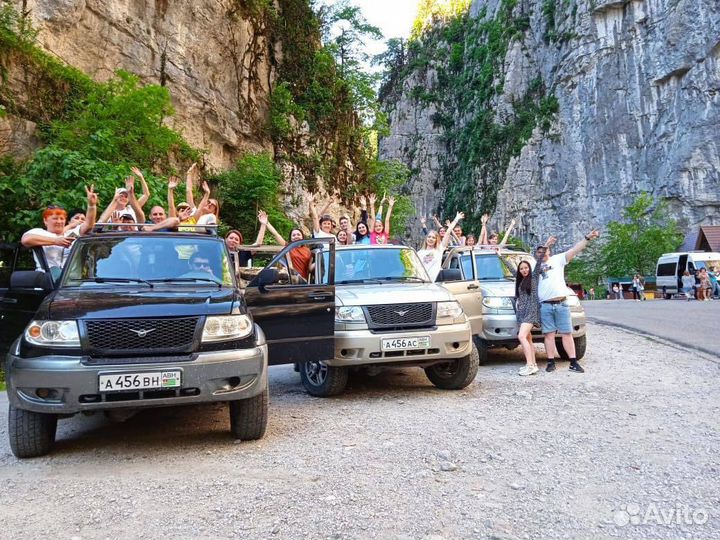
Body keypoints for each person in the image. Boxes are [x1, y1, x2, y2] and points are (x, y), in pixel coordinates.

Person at [538, 229, 600, 373]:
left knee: (567, 333)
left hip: (561, 303)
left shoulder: (558, 260)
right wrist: (546, 244)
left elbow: (575, 250)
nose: (543, 252)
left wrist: (587, 238)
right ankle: (550, 361)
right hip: (546, 305)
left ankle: (573, 362)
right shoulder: (536, 266)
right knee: (549, 334)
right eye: (540, 251)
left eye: (545, 250)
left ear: (549, 251)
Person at [21, 185, 98, 275]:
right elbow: (26, 240)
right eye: (55, 218)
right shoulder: (39, 232)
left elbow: (89, 224)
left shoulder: (71, 233)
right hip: (47, 282)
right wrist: (55, 241)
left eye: (62, 218)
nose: (59, 221)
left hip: (70, 283)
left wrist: (92, 205)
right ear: (45, 221)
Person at [515, 240, 551, 376]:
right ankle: (533, 364)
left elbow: (540, 259)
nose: (524, 270)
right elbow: (513, 270)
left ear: (529, 268)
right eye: (521, 268)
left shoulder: (534, 276)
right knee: (528, 339)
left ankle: (530, 365)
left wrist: (546, 245)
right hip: (522, 313)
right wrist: (499, 255)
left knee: (521, 336)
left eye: (526, 268)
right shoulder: (521, 280)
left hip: (531, 311)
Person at [256, 211, 313, 280]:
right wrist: (266, 223)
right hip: (290, 280)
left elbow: (309, 269)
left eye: (298, 234)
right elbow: (276, 234)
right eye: (293, 235)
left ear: (302, 237)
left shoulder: (308, 250)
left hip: (303, 281)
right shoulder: (288, 247)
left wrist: (321, 263)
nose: (296, 236)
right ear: (291, 238)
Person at [416, 212, 464, 281]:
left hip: (435, 283)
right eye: (429, 237)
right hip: (422, 283)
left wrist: (456, 219)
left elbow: (448, 232)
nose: (431, 239)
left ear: (436, 240)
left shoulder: (439, 249)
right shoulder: (419, 253)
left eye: (433, 237)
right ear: (426, 238)